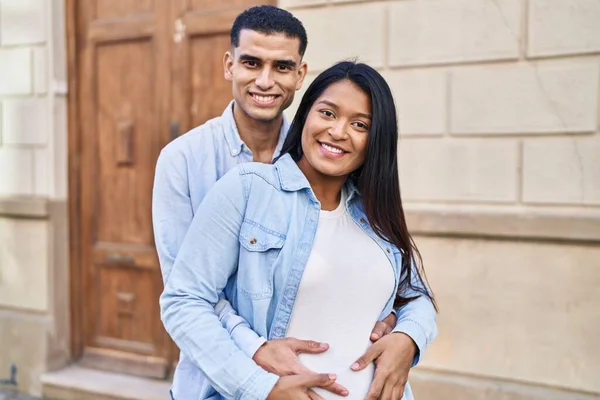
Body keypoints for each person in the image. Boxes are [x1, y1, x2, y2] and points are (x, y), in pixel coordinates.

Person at [153, 5, 437, 399]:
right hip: (223, 380)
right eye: (252, 63)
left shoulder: (354, 188)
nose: (265, 81)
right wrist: (258, 364)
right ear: (229, 65)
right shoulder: (199, 166)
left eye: (282, 67)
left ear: (300, 75)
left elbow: (413, 291)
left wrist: (409, 336)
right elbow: (187, 295)